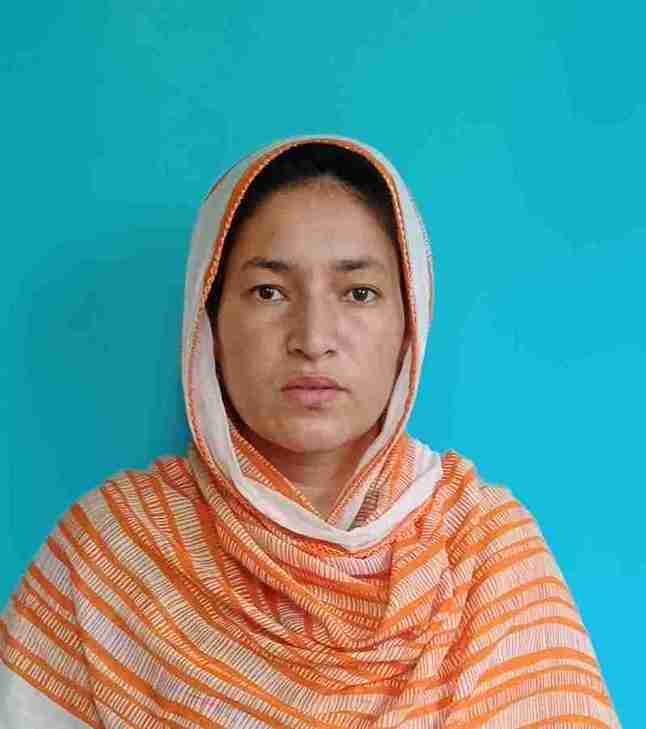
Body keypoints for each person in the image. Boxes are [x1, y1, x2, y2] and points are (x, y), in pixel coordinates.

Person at [0, 135, 621, 728]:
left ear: (411, 322)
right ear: (209, 322)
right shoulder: (112, 554)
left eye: (359, 292)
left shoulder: (481, 550)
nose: (314, 338)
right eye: (269, 291)